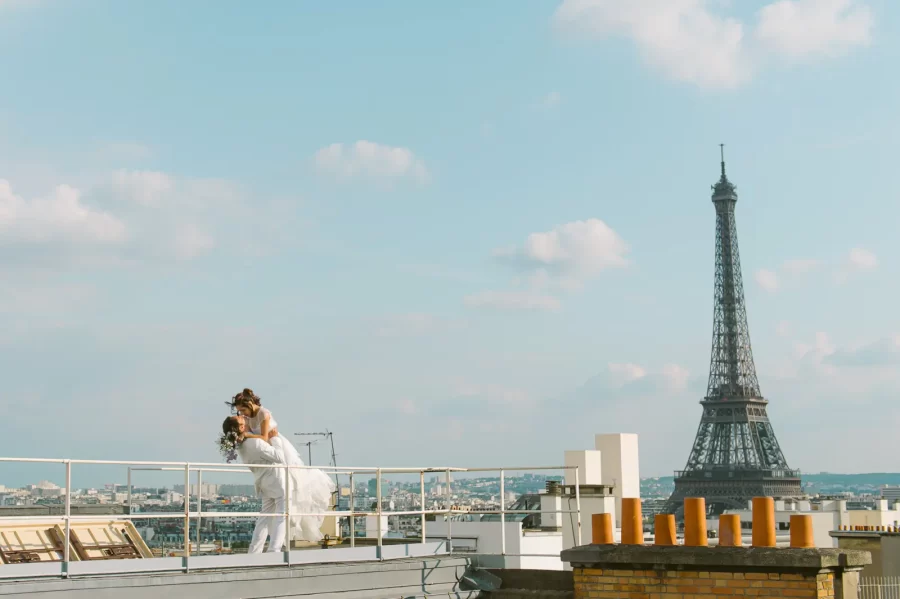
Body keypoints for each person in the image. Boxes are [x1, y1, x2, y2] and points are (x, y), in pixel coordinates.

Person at [226, 389, 337, 543]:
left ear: (250, 404)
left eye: (243, 409)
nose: (241, 413)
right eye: (239, 411)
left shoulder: (263, 414)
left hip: (274, 446)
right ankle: (273, 547)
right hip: (267, 455)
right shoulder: (247, 417)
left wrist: (247, 435)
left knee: (289, 487)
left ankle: (272, 546)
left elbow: (264, 438)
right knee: (276, 510)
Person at [219, 415, 288, 553]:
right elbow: (279, 457)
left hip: (262, 482)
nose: (242, 417)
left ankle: (255, 550)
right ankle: (274, 550)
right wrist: (275, 439)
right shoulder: (255, 443)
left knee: (264, 517)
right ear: (241, 427)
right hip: (276, 480)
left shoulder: (241, 446)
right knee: (282, 514)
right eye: (240, 419)